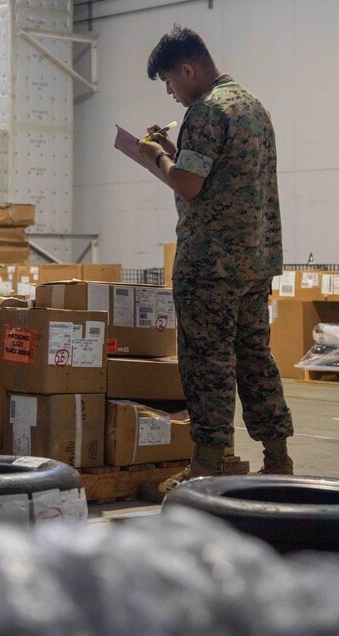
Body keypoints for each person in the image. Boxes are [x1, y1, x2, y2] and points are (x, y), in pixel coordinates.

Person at [137, 26, 293, 493]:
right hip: (254, 259)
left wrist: (153, 159)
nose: (171, 91)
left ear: (188, 69)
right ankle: (278, 456)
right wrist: (173, 151)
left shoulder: (205, 111)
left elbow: (189, 184)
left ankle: (208, 461)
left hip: (210, 262)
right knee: (254, 357)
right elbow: (217, 170)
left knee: (207, 360)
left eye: (169, 80)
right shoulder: (251, 105)